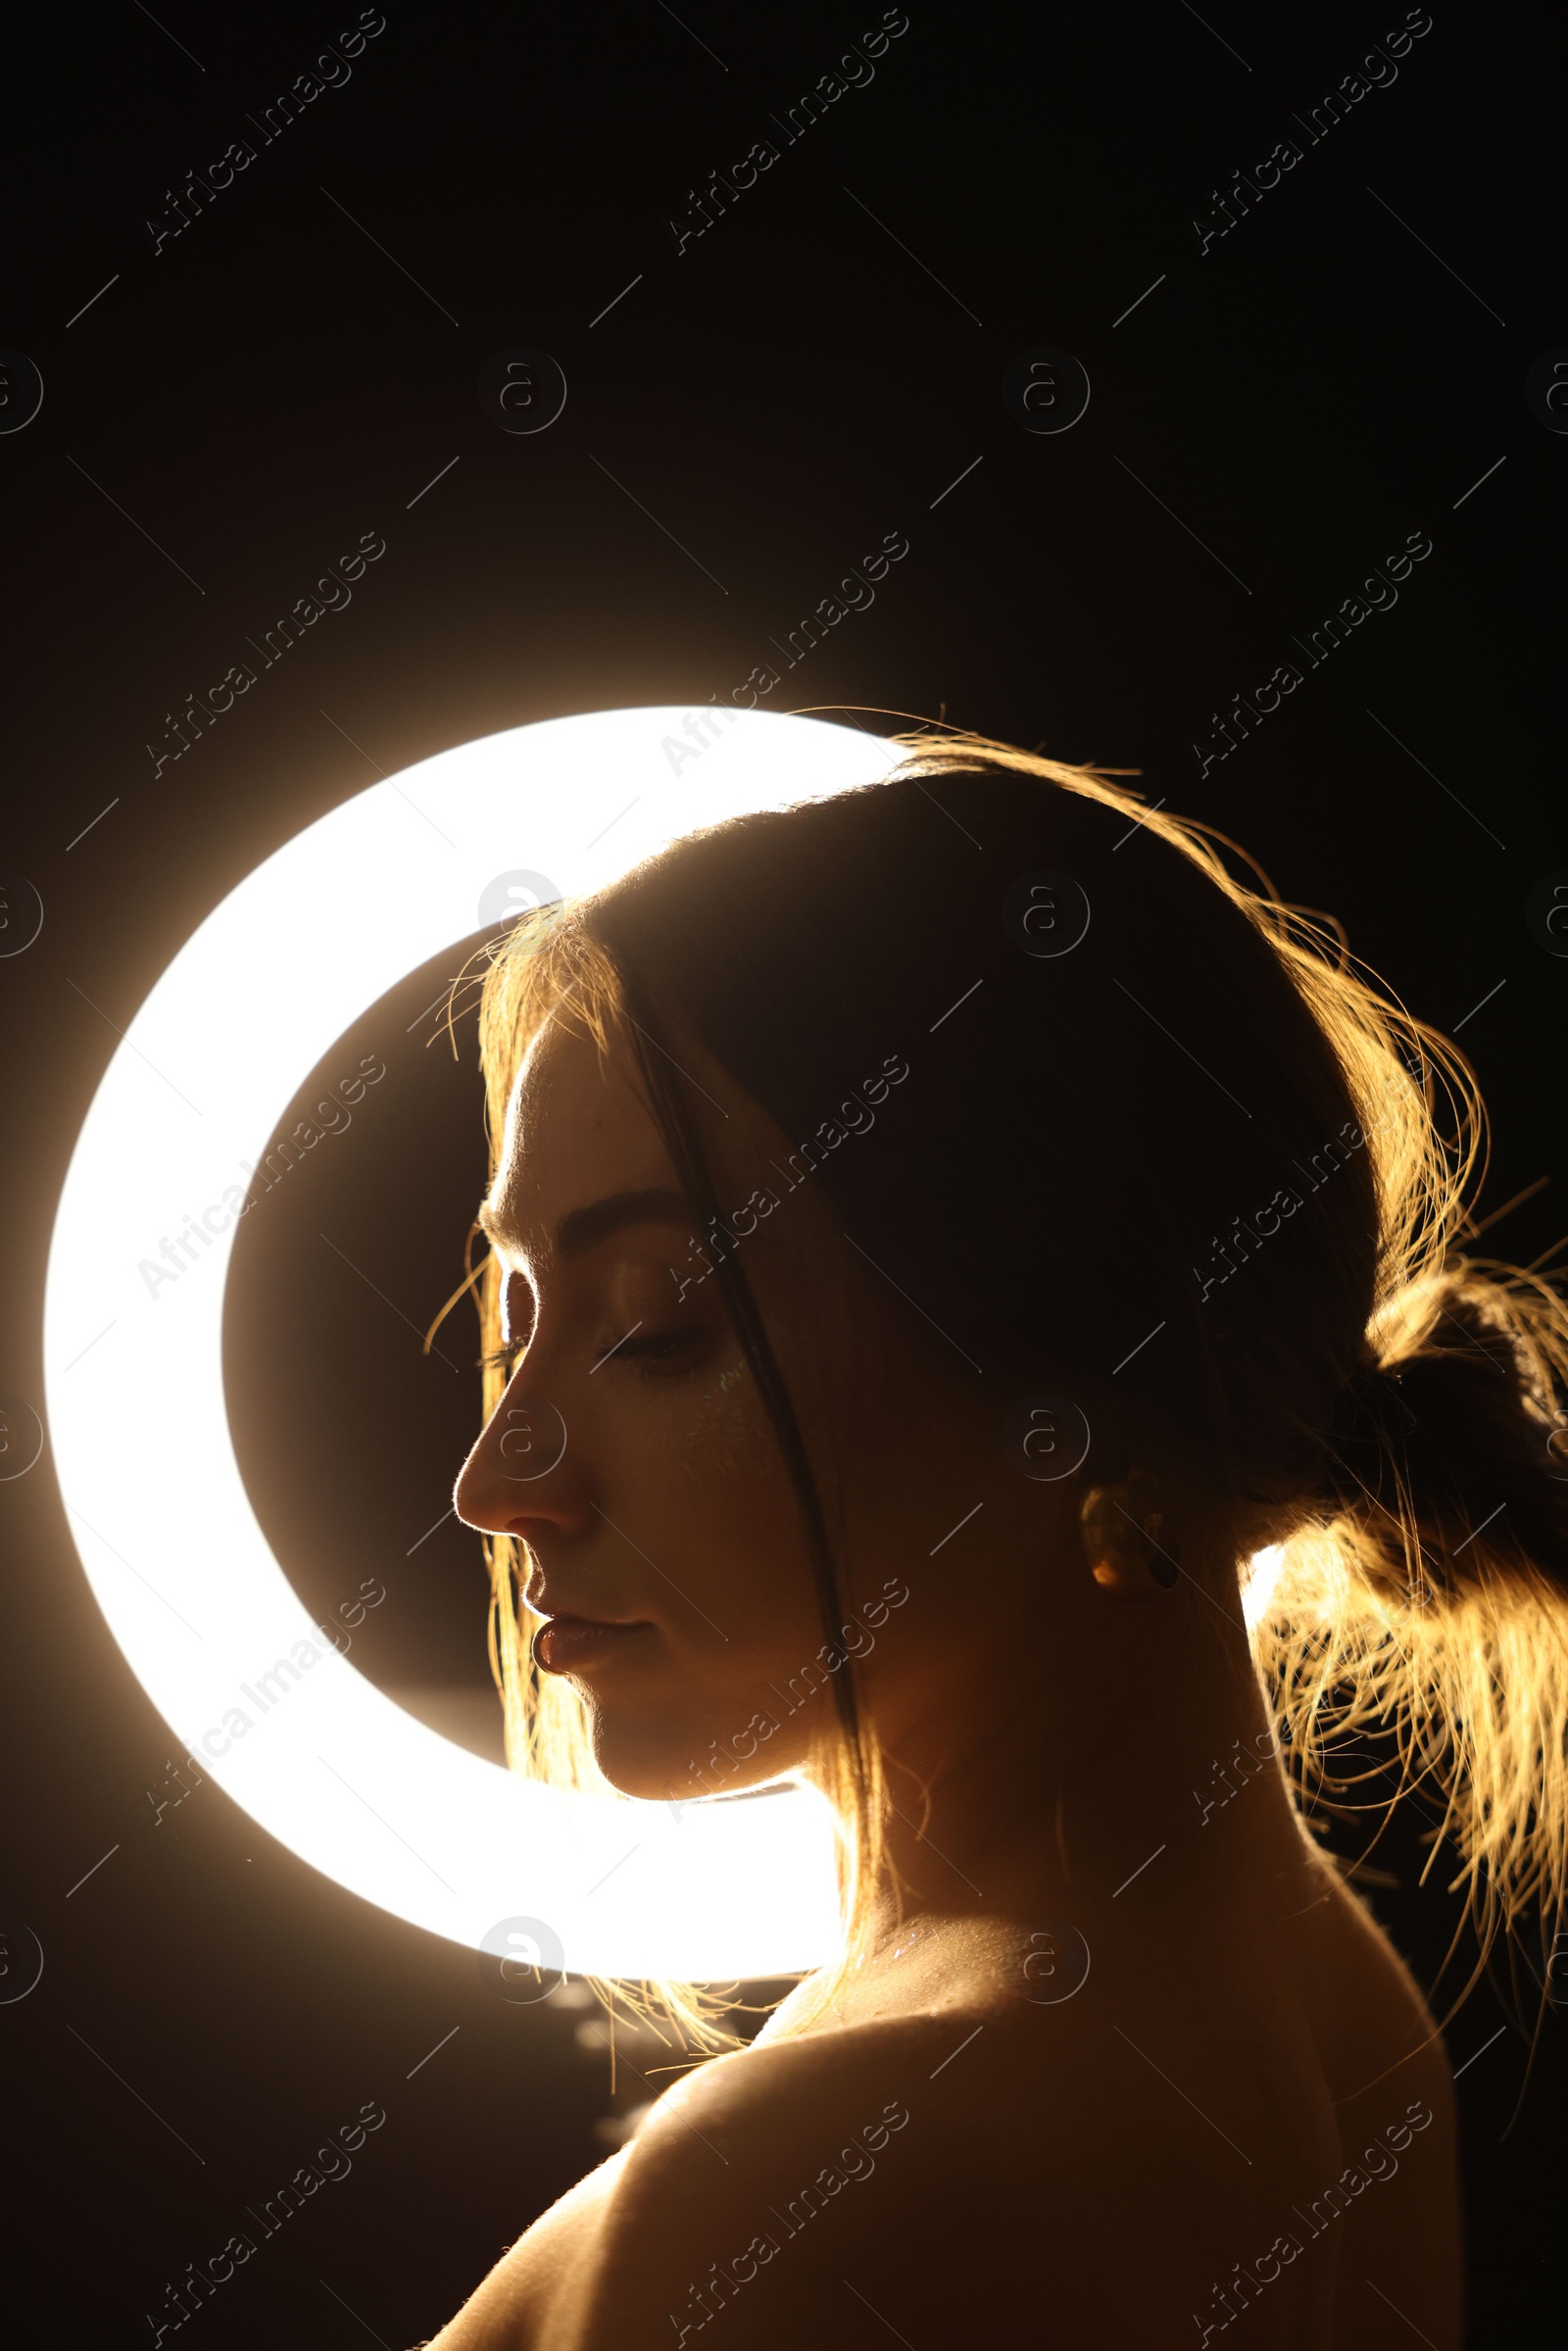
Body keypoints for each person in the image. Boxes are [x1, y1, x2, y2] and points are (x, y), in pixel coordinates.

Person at [428, 732, 1568, 2349]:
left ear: (1070, 1383)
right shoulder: (1329, 2010)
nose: (496, 1478)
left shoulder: (810, 2194)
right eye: (515, 1313)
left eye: (657, 1325)